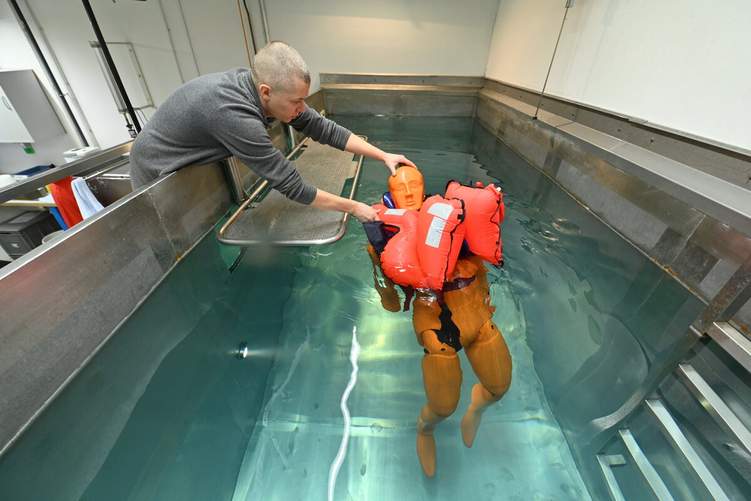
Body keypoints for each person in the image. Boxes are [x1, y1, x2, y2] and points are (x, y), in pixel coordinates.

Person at [129, 41, 414, 222]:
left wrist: (383, 155)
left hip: (189, 158)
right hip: (158, 170)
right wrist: (354, 207)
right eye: (296, 101)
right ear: (266, 91)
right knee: (177, 242)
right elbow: (291, 185)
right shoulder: (233, 114)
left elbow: (322, 128)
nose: (302, 107)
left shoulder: (257, 88)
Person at [366, 166, 512, 477]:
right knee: (443, 407)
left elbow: (480, 261)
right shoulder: (382, 239)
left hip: (476, 311)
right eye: (400, 187)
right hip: (435, 324)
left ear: (424, 187)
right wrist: (389, 293)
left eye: (414, 184)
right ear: (389, 194)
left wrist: (486, 298)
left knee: (499, 388)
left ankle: (477, 405)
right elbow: (387, 294)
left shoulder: (453, 217)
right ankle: (425, 430)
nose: (408, 192)